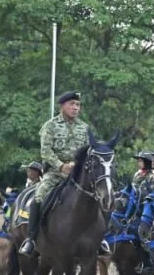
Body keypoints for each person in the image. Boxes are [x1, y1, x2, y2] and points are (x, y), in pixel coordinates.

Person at [20, 91, 109, 256]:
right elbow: (46, 151)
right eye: (72, 104)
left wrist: (76, 165)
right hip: (55, 174)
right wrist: (61, 166)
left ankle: (101, 239)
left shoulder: (85, 128)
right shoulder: (50, 126)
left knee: (102, 195)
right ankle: (31, 239)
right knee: (39, 197)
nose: (75, 108)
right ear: (63, 106)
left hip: (79, 175)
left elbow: (89, 152)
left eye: (78, 105)